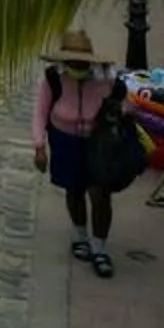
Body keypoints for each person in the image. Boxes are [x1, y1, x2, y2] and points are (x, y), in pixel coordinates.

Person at [34, 28, 122, 278]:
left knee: (100, 193)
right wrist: (39, 146)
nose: (78, 66)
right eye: (72, 61)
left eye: (82, 62)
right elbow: (40, 112)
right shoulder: (53, 78)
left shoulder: (106, 78)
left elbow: (123, 103)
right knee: (74, 189)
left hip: (97, 142)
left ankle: (99, 247)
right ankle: (80, 234)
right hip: (65, 139)